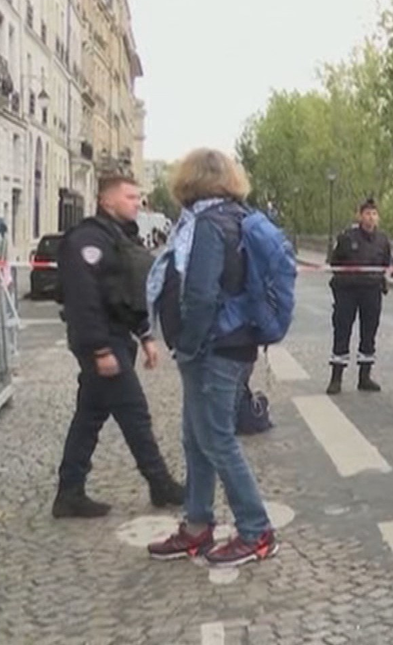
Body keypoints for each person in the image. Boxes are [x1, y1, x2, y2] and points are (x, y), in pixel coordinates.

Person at [146, 148, 278, 568]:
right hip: (228, 343)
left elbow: (201, 294)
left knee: (217, 439)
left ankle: (256, 531)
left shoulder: (207, 224)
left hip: (213, 348)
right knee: (196, 439)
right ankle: (197, 525)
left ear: (191, 180)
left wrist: (186, 345)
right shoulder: (235, 216)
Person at [52, 175, 185, 518]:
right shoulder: (85, 239)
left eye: (138, 196)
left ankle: (69, 491)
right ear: (107, 201)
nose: (137, 202)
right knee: (134, 412)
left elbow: (123, 293)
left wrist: (145, 335)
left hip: (116, 338)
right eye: (130, 196)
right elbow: (84, 301)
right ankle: (160, 484)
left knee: (89, 416)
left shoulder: (118, 238)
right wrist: (99, 349)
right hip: (101, 341)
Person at [326, 198, 393, 395]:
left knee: (369, 333)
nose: (370, 218)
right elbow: (334, 262)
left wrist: (383, 278)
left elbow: (386, 263)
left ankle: (365, 377)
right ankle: (336, 378)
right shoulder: (347, 237)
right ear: (360, 216)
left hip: (372, 291)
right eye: (367, 213)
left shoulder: (383, 240)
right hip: (348, 291)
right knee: (342, 331)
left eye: (373, 214)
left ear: (377, 217)